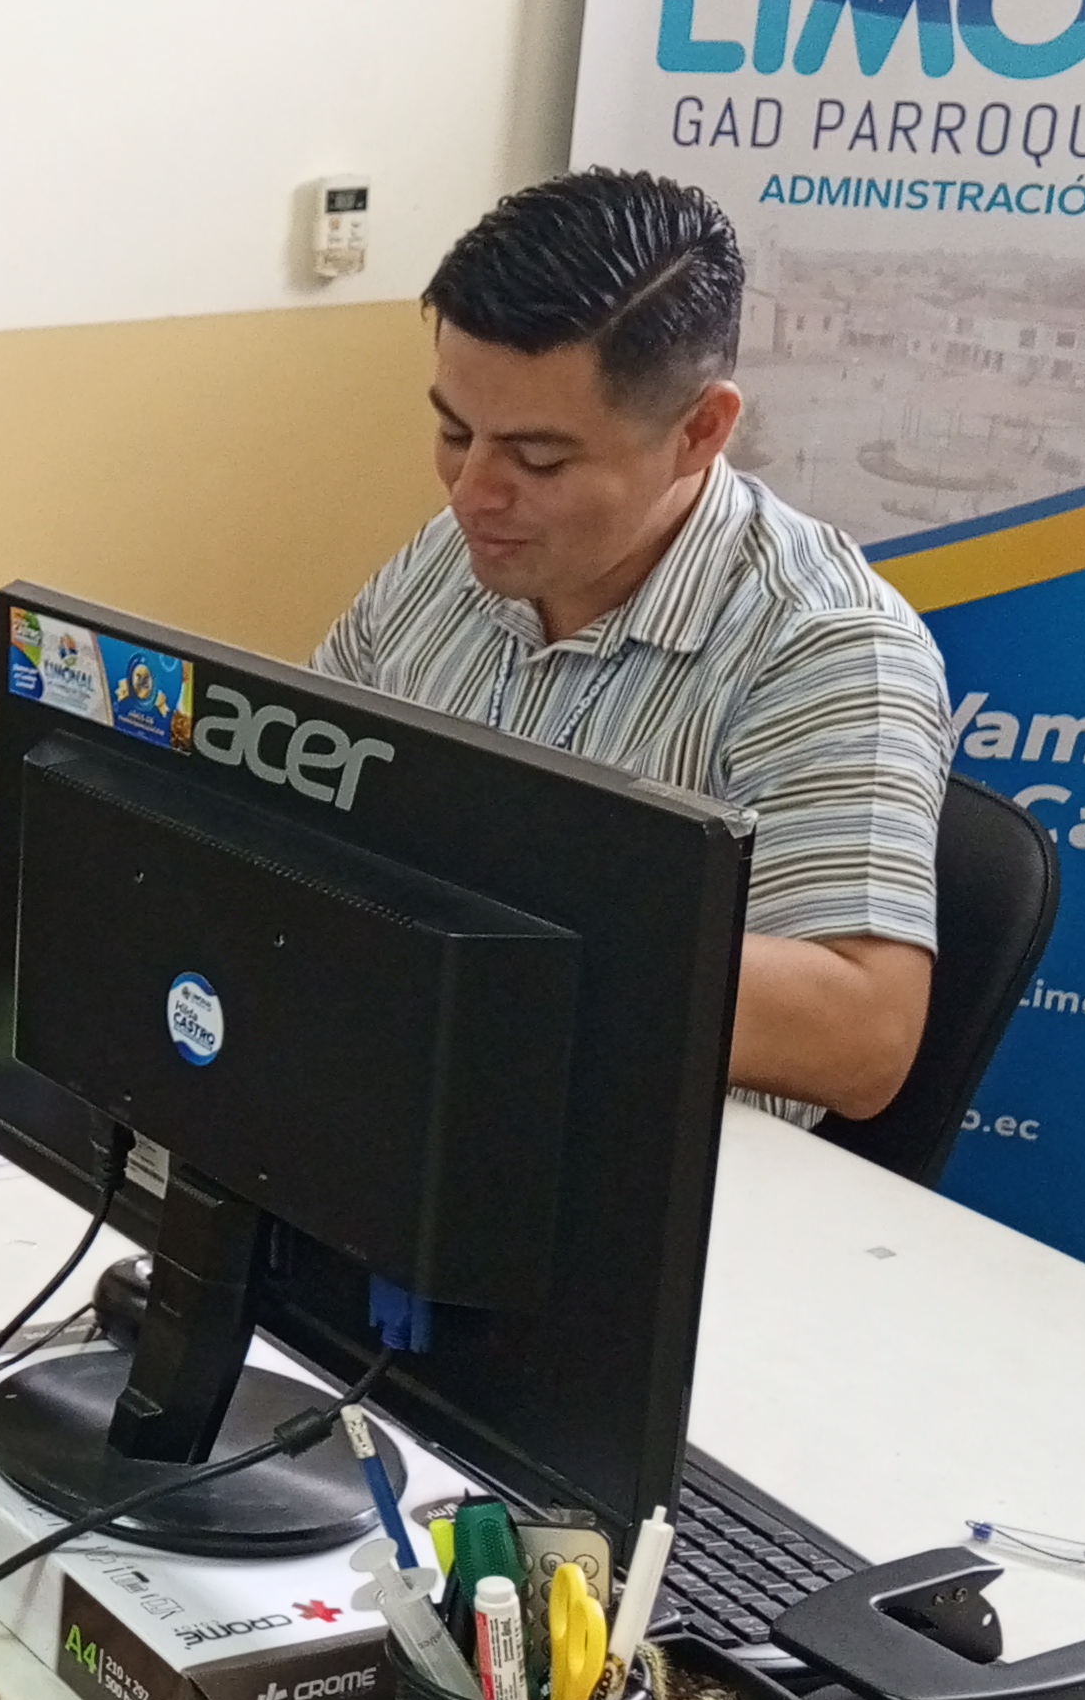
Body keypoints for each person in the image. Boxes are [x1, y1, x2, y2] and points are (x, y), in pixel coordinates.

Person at [318, 168, 952, 1125]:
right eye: (454, 431)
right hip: (405, 1085)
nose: (472, 492)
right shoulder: (457, 554)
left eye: (540, 459)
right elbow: (299, 790)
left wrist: (492, 940)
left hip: (629, 1152)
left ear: (700, 430)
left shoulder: (827, 646)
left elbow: (864, 1036)